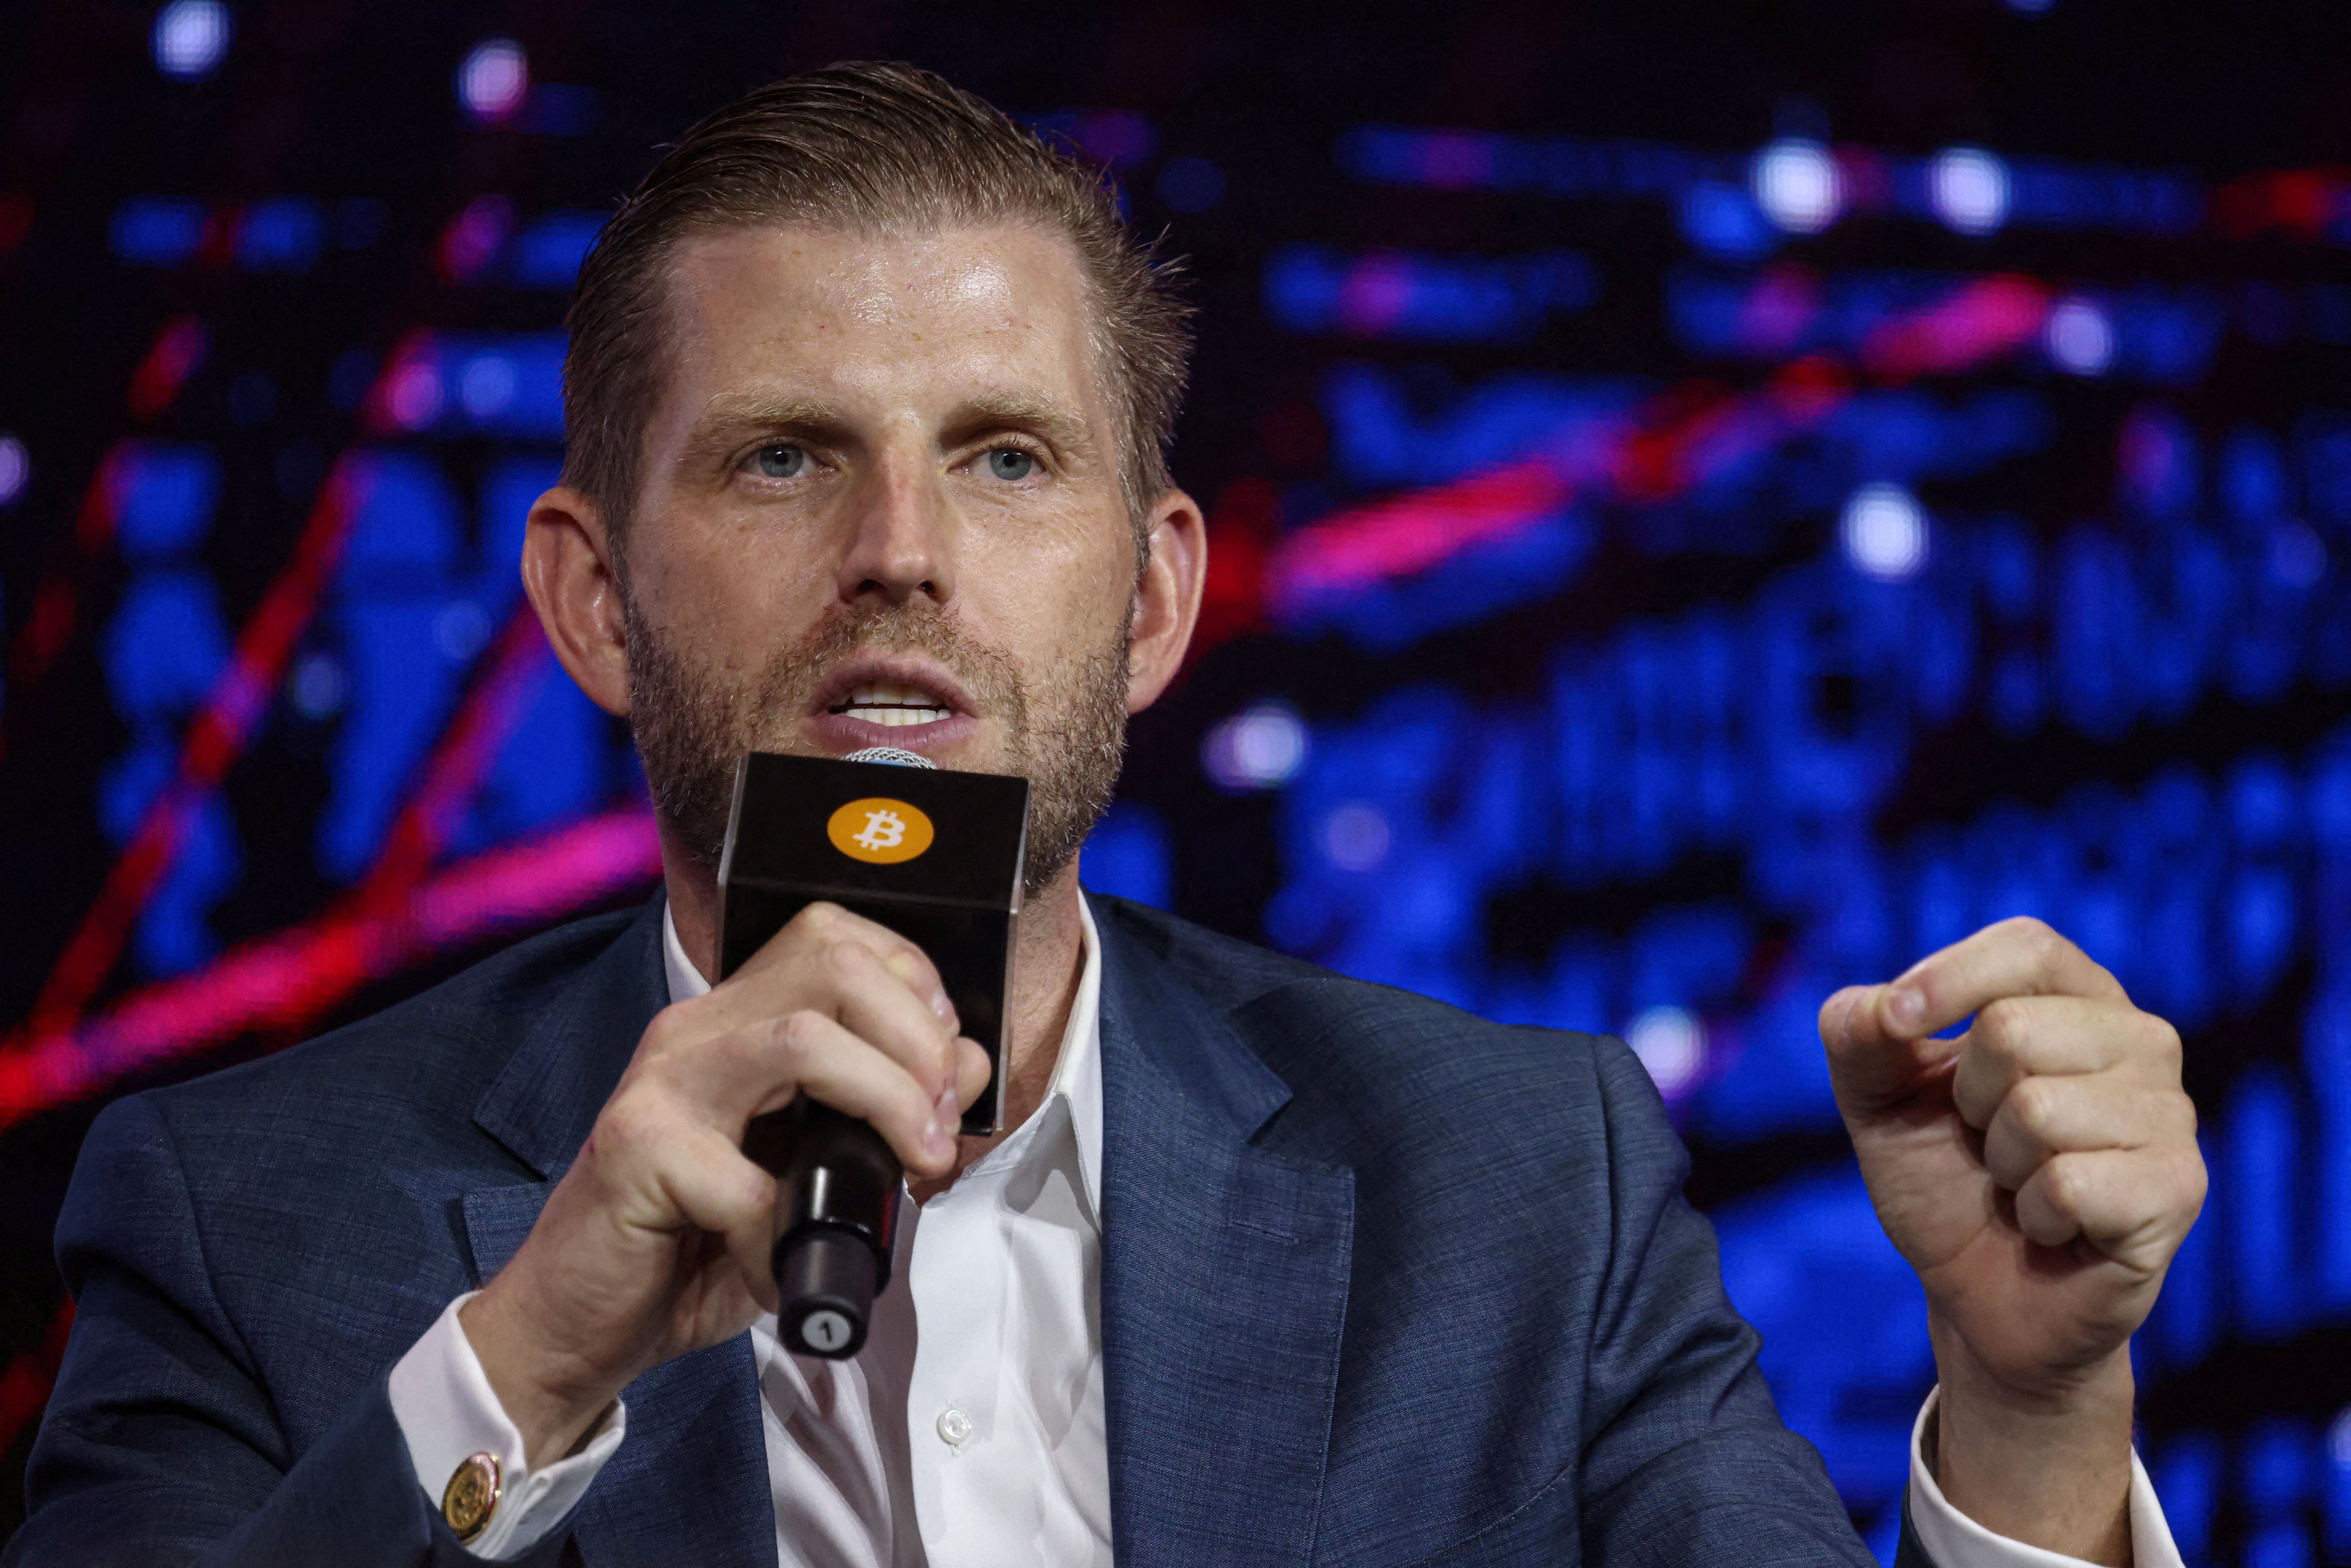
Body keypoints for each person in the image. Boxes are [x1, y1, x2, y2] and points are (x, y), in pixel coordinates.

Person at [7, 63, 2205, 1568]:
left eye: (1005, 457)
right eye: (784, 455)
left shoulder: (1526, 1187)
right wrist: (532, 1353)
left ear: (1154, 600)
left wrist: (2030, 1419)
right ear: (590, 600)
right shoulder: (240, 1212)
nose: (901, 551)